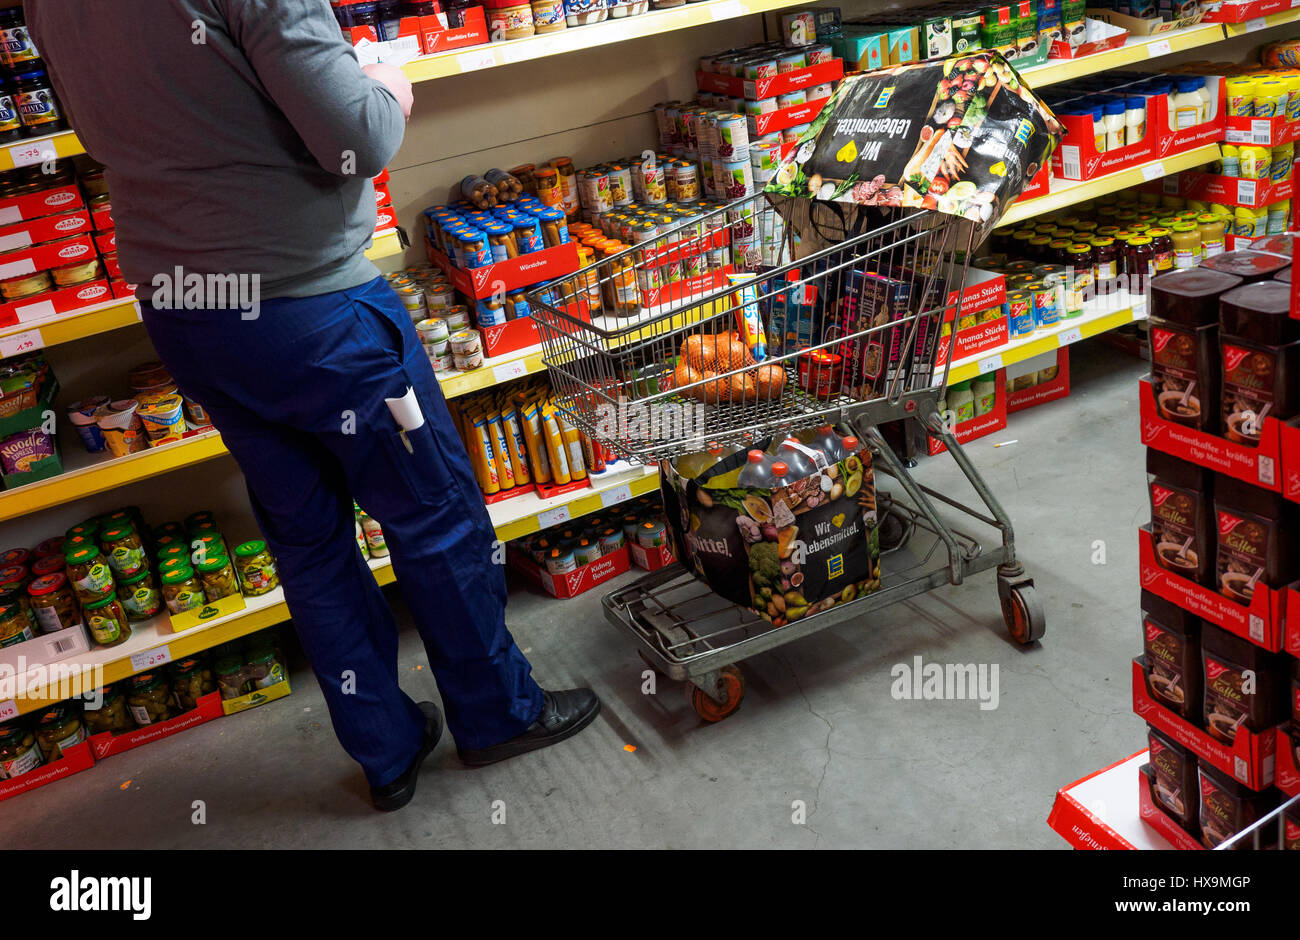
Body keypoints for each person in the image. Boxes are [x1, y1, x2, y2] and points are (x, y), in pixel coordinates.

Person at [29, 0, 600, 812]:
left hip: (189, 314)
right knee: (434, 516)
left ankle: (386, 750)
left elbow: (99, 133)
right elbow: (357, 139)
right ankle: (498, 713)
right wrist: (385, 82)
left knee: (308, 541)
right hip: (311, 312)